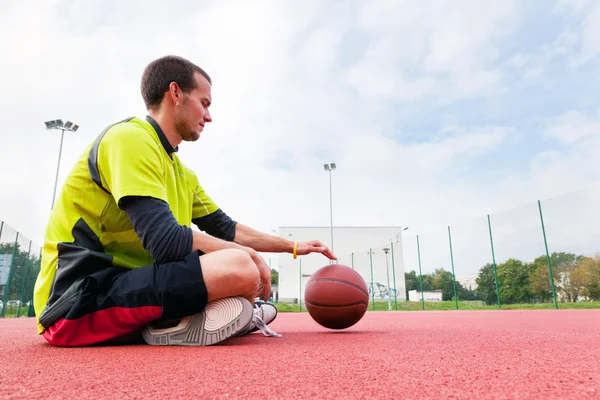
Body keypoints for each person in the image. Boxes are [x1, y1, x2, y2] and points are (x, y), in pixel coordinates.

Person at [33, 55, 336, 347]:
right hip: (76, 301)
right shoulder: (129, 139)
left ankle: (174, 323)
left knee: (239, 267)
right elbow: (165, 243)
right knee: (240, 267)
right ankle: (178, 320)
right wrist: (248, 256)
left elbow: (225, 228)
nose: (209, 115)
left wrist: (294, 247)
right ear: (176, 93)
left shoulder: (182, 174)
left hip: (127, 287)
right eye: (204, 103)